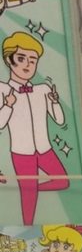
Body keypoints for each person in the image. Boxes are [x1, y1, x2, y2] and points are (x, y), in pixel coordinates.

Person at [0, 32, 69, 225]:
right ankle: (27, 228)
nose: (28, 65)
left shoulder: (43, 89)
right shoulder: (3, 90)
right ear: (9, 60)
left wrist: (54, 102)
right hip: (21, 152)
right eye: (21, 58)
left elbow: (60, 120)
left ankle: (32, 188)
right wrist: (8, 105)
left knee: (63, 181)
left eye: (33, 60)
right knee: (28, 199)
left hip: (45, 149)